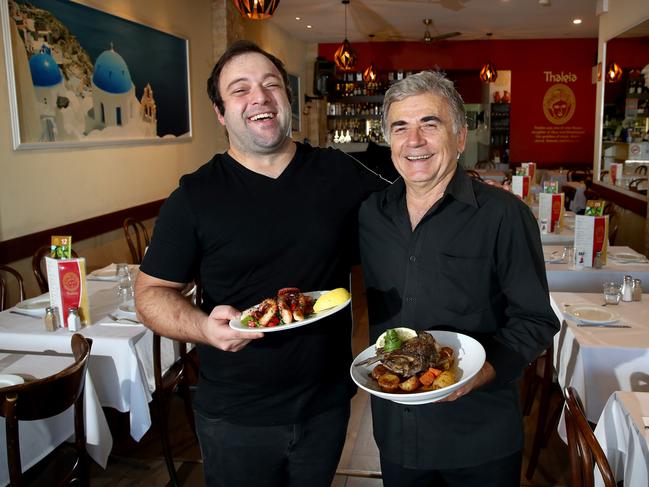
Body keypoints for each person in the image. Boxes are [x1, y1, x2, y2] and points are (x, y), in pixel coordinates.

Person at [135, 40, 386, 487]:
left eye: (272, 84)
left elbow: (405, 222)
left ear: (287, 99)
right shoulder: (194, 197)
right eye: (240, 89)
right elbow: (150, 294)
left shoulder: (339, 174)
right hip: (235, 416)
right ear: (220, 112)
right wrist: (203, 329)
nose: (260, 97)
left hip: (324, 406)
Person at [358, 71, 559, 486]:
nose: (414, 141)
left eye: (429, 124)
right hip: (396, 429)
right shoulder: (370, 214)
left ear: (460, 137)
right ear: (389, 140)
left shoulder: (504, 215)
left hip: (478, 436)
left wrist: (482, 373)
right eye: (401, 127)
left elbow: (536, 319)